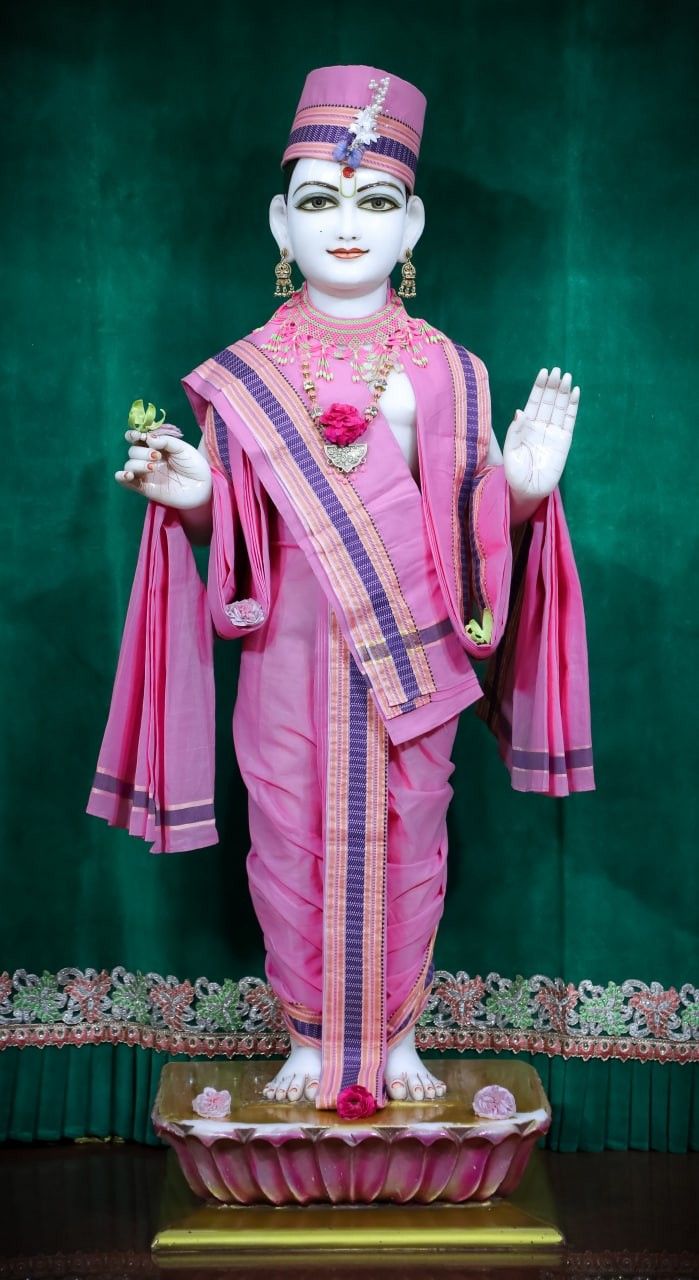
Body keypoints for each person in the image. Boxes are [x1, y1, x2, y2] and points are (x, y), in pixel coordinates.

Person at [88, 65, 593, 1111]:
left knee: (414, 831)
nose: (347, 225)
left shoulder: (452, 372)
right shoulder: (244, 375)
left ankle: (397, 1037)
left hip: (415, 651)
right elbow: (238, 536)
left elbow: (467, 531)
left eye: (375, 203)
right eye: (320, 201)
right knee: (288, 838)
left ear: (414, 226)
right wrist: (191, 498)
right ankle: (312, 1040)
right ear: (282, 222)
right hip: (290, 654)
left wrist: (527, 495)